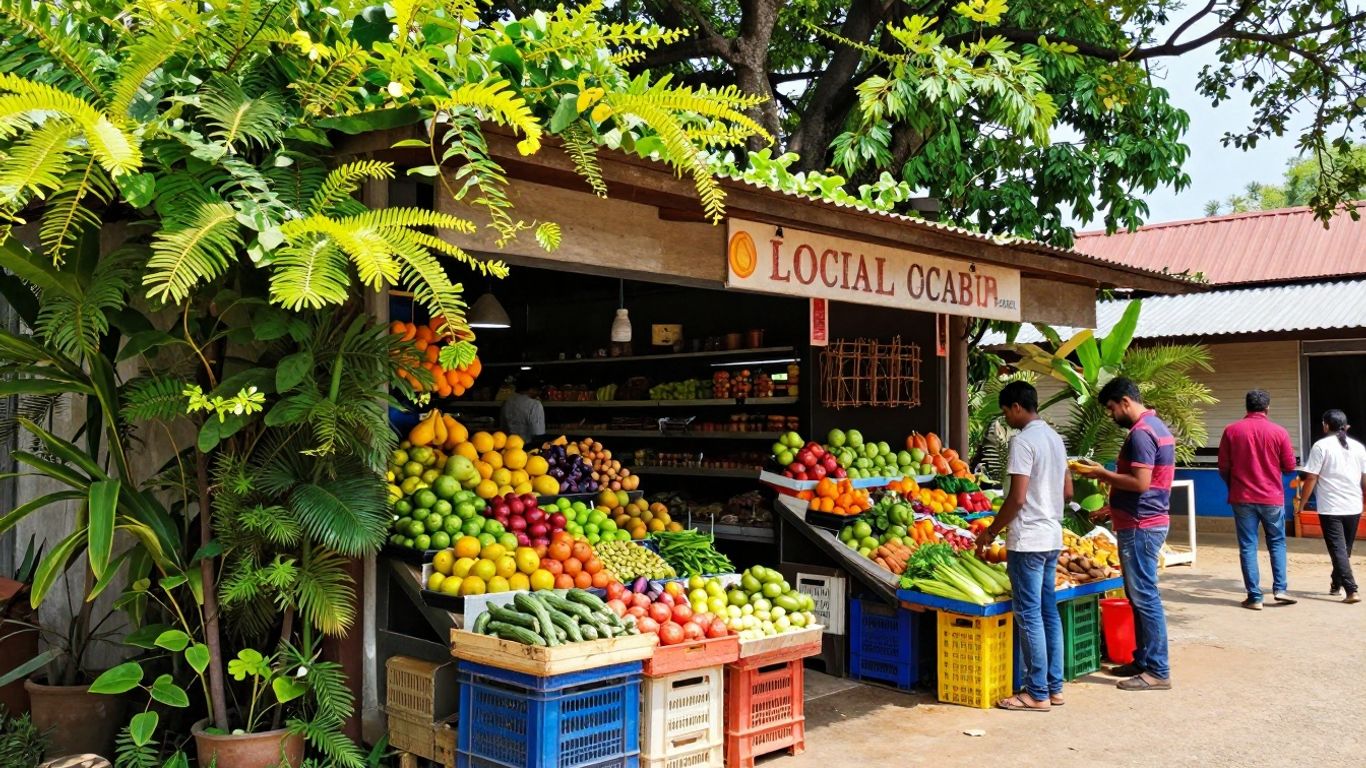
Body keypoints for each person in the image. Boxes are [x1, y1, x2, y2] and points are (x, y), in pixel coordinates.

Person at [976, 381, 1071, 711]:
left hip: (1028, 540)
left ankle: (1036, 693)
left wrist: (991, 531)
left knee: (1029, 616)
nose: (1006, 419)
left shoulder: (1023, 442)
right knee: (1048, 612)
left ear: (1017, 407)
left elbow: (1016, 499)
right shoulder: (1055, 439)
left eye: (1005, 412)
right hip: (1052, 536)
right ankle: (1054, 688)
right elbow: (1068, 491)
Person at [1075, 377, 1173, 692]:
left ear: (1125, 402)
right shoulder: (1158, 427)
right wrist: (1110, 506)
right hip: (1144, 517)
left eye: (1111, 408)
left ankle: (1157, 670)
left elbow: (1142, 483)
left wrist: (1101, 473)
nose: (1111, 414)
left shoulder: (1142, 434)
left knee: (1145, 596)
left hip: (1141, 524)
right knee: (1139, 595)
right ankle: (1144, 659)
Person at [1217, 390, 1298, 609]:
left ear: (1246, 407)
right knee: (1277, 542)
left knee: (1247, 545)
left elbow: (1223, 467)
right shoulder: (1279, 432)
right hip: (1272, 497)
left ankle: (1255, 597)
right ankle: (1280, 589)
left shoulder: (1231, 431)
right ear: (1267, 408)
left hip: (1242, 497)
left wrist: (1233, 486)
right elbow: (1290, 467)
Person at [1297, 409, 1366, 604]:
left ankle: (1351, 590)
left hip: (1331, 508)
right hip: (1353, 506)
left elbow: (1311, 477)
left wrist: (1302, 503)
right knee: (1344, 549)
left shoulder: (1321, 446)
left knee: (1338, 550)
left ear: (1325, 425)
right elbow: (1364, 477)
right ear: (1346, 427)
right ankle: (1336, 584)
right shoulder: (1359, 447)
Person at [499, 378, 545, 442]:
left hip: (509, 445)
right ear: (531, 389)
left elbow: (503, 428)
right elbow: (538, 433)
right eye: (537, 390)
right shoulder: (535, 405)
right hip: (527, 446)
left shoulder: (507, 402)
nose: (538, 393)